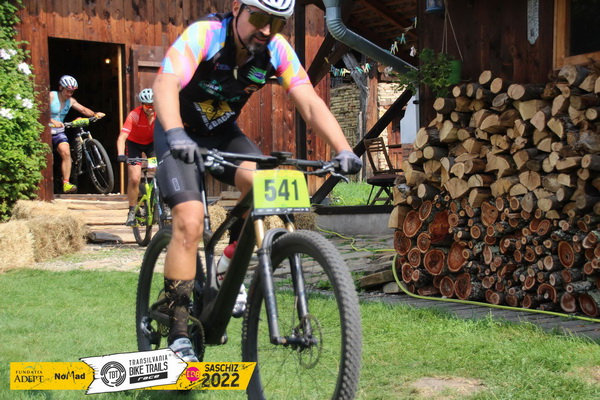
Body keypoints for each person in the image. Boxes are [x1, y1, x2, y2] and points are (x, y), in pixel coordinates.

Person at [153, 0, 362, 361]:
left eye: (277, 23)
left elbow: (309, 102)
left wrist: (343, 148)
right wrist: (175, 133)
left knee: (263, 186)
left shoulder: (276, 50)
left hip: (222, 135)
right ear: (238, 7)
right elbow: (166, 81)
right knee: (189, 220)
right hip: (179, 133)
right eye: (260, 17)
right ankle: (179, 330)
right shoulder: (206, 35)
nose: (266, 30)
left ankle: (226, 267)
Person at [49, 75, 105, 194]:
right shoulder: (51, 96)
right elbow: (40, 111)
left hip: (58, 131)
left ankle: (66, 183)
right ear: (60, 88)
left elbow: (83, 110)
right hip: (45, 130)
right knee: (48, 158)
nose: (69, 93)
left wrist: (94, 114)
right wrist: (52, 121)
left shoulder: (71, 101)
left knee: (66, 152)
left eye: (72, 91)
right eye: (67, 91)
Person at [116, 88, 157, 226]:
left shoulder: (160, 114)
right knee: (134, 178)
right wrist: (121, 154)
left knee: (158, 171)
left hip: (151, 145)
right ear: (142, 105)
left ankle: (160, 203)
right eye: (147, 105)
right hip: (134, 145)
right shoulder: (134, 115)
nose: (150, 108)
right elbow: (122, 137)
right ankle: (132, 211)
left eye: (152, 105)